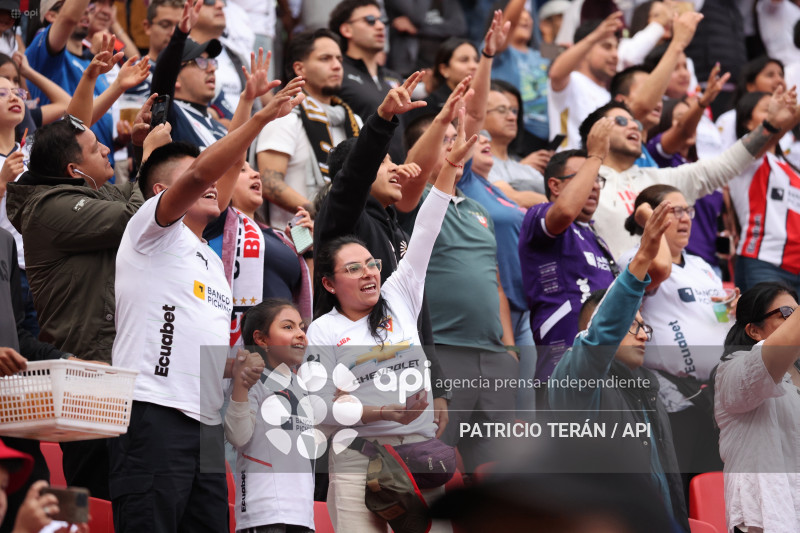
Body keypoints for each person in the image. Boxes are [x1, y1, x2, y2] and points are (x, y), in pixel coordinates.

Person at [109, 75, 305, 532]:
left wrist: (237, 366)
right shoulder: (150, 231)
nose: (214, 182)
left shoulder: (209, 257)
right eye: (196, 177)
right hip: (150, 411)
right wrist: (259, 118)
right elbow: (203, 172)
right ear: (162, 192)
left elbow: (222, 170)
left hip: (204, 423)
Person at [305, 106, 476, 533]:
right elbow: (318, 411)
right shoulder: (324, 330)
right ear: (328, 284)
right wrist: (384, 412)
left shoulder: (399, 292)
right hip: (354, 457)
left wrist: (450, 169)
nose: (368, 274)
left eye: (371, 264)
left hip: (420, 452)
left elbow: (427, 229)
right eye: (353, 269)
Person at [312, 72, 451, 428]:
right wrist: (383, 120)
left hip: (406, 384)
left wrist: (437, 387)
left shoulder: (392, 227)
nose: (396, 168)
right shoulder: (342, 221)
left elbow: (419, 314)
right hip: (356, 398)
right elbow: (354, 177)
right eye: (384, 162)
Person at [549, 201, 690, 531]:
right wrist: (642, 259)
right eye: (634, 326)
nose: (644, 336)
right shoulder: (577, 384)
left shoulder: (647, 389)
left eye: (644, 326)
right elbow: (602, 334)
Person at [578, 87, 800, 258]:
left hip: (663, 293)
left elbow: (725, 165)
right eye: (620, 121)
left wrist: (768, 126)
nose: (634, 126)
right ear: (595, 133)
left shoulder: (659, 179)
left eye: (635, 122)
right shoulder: (579, 183)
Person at [621, 185, 729, 488]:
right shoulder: (635, 258)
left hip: (714, 395)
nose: (685, 219)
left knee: (711, 484)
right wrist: (647, 225)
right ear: (651, 218)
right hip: (672, 396)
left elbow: (718, 317)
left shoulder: (702, 266)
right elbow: (660, 269)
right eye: (674, 211)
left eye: (688, 211)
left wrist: (732, 309)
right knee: (677, 485)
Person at [518, 120, 616, 386]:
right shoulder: (539, 215)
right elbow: (563, 212)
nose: (593, 185)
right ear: (555, 186)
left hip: (604, 372)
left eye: (597, 178)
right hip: (562, 368)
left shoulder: (596, 237)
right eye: (584, 176)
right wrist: (595, 155)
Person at [254, 28, 362, 230]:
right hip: (295, 242)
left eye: (339, 59)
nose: (337, 66)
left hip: (349, 239)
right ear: (299, 69)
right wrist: (323, 212)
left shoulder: (354, 121)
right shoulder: (285, 116)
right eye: (325, 59)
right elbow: (268, 182)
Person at [716, 281, 800, 533]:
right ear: (753, 331)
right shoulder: (731, 369)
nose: (795, 320)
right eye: (787, 314)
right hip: (764, 518)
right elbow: (767, 362)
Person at [224, 299, 314, 532]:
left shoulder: (301, 386)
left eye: (301, 327)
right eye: (288, 327)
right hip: (263, 513)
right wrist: (242, 384)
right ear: (261, 339)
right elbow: (238, 437)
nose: (300, 334)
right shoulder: (253, 381)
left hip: (303, 515)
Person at [728, 90, 800, 293]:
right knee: (770, 325)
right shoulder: (743, 156)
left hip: (796, 265)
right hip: (764, 261)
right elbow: (768, 136)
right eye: (768, 110)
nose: (779, 114)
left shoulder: (790, 167)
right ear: (748, 122)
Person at [26, 0, 115, 162]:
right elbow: (68, 18)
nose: (85, 11)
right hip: (65, 171)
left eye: (88, 8)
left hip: (103, 174)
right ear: (51, 15)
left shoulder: (96, 64)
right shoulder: (44, 54)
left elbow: (88, 122)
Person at [328, 0, 405, 163]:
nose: (380, 26)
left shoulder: (394, 77)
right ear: (346, 29)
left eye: (382, 21)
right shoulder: (335, 72)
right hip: (357, 176)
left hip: (397, 175)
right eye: (370, 20)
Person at [150, 0, 229, 149]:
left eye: (211, 62)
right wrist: (180, 35)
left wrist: (248, 99)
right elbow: (163, 79)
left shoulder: (219, 127)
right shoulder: (172, 117)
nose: (211, 68)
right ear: (176, 78)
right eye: (200, 62)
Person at [547, 11, 623, 150]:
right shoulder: (572, 81)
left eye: (616, 48)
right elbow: (556, 74)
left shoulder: (608, 96)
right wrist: (596, 35)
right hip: (570, 166)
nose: (615, 55)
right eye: (607, 47)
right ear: (585, 49)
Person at [489, 0, 551, 149]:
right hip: (516, 136)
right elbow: (507, 24)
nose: (525, 18)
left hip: (548, 139)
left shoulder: (543, 52)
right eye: (520, 14)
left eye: (529, 15)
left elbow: (569, 49)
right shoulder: (499, 51)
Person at [483, 82, 547, 208]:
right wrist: (560, 204)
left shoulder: (528, 169)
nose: (512, 117)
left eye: (514, 111)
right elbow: (510, 198)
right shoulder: (479, 164)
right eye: (502, 110)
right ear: (478, 115)